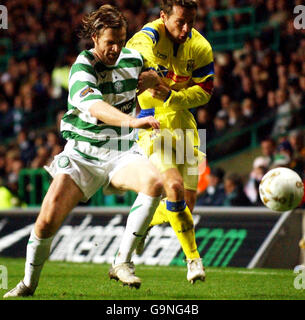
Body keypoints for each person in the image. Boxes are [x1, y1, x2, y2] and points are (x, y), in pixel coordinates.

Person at [4, 5, 164, 298]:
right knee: (47, 219)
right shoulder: (82, 68)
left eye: (121, 40)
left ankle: (122, 261)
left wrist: (156, 81)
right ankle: (28, 283)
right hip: (83, 156)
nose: (116, 48)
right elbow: (98, 108)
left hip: (121, 151)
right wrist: (131, 120)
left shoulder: (134, 59)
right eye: (109, 43)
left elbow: (162, 83)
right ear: (94, 38)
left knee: (155, 183)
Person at [126, 0, 214, 283]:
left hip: (184, 123)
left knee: (187, 205)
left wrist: (173, 96)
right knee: (173, 186)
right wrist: (151, 70)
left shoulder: (201, 47)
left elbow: (205, 91)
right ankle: (194, 262)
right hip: (153, 122)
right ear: (163, 17)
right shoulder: (149, 35)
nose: (186, 28)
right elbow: (137, 48)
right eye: (180, 22)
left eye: (191, 21)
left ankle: (145, 221)